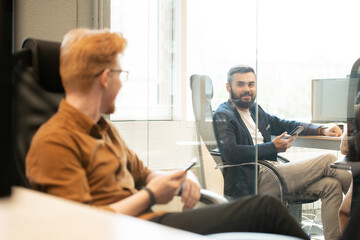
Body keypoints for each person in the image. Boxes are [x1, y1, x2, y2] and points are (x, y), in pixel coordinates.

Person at [25, 28, 309, 239]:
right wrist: (150, 195)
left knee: (263, 211)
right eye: (120, 76)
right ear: (103, 78)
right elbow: (81, 228)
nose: (121, 85)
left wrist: (179, 176)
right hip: (131, 230)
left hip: (148, 222)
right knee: (264, 210)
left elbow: (144, 174)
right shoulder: (55, 140)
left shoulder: (104, 129)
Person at [212, 64, 352, 240]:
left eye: (251, 84)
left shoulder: (256, 110)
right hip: (255, 178)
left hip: (274, 171)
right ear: (228, 87)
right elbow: (231, 153)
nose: (247, 89)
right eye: (240, 84)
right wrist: (272, 147)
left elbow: (286, 124)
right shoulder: (223, 114)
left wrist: (321, 129)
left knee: (331, 185)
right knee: (329, 159)